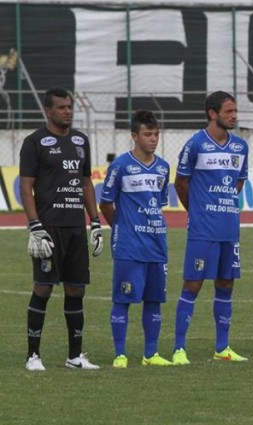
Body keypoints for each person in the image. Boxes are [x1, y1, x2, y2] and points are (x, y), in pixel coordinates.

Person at [20, 87, 103, 371]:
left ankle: (75, 356)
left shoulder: (81, 140)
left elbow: (85, 183)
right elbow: (26, 187)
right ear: (48, 110)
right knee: (43, 288)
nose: (68, 111)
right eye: (62, 107)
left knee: (76, 290)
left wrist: (94, 221)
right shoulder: (34, 142)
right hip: (49, 228)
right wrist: (35, 226)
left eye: (70, 107)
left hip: (75, 228)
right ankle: (33, 356)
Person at [172, 91, 249, 364]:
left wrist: (223, 202)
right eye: (228, 111)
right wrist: (197, 210)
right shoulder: (195, 144)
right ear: (212, 114)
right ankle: (179, 349)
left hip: (230, 228)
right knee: (193, 283)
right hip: (203, 228)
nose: (234, 115)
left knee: (226, 283)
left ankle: (222, 348)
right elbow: (181, 182)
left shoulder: (241, 147)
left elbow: (238, 182)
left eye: (235, 110)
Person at [99, 110, 172, 368]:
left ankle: (150, 354)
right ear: (134, 136)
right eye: (147, 134)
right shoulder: (120, 165)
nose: (153, 139)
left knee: (154, 300)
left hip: (157, 244)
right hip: (129, 246)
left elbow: (159, 204)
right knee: (123, 299)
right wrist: (122, 227)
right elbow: (106, 203)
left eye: (156, 134)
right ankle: (120, 354)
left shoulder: (163, 167)